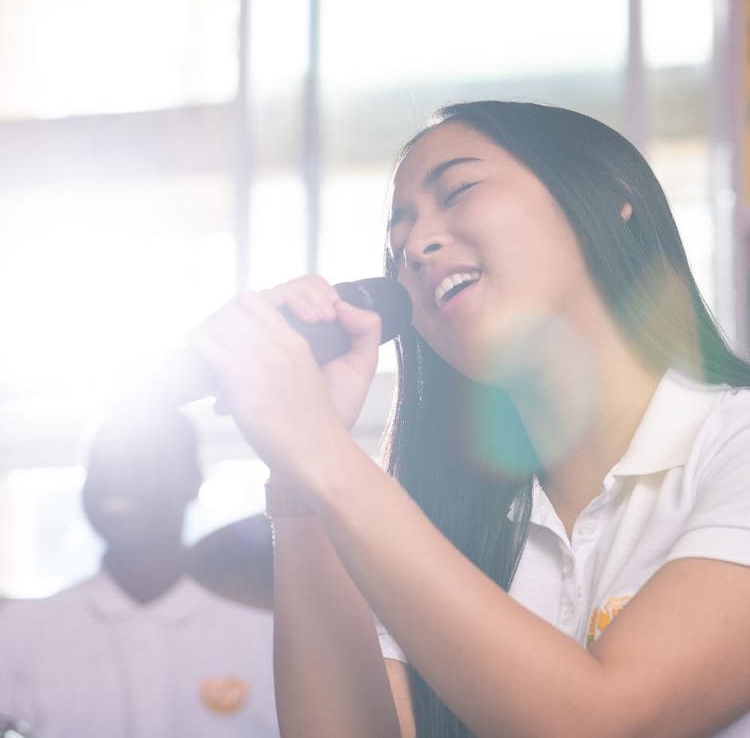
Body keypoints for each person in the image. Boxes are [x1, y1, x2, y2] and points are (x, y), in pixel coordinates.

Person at [187, 100, 750, 737]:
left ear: (610, 198)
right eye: (399, 243)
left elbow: (606, 721)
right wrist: (297, 482)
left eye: (459, 190)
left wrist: (323, 455)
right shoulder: (433, 528)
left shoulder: (734, 444)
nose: (416, 248)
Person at [0, 405, 279, 738]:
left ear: (193, 482)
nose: (117, 480)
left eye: (144, 463)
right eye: (102, 466)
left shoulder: (268, 638)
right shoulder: (17, 630)